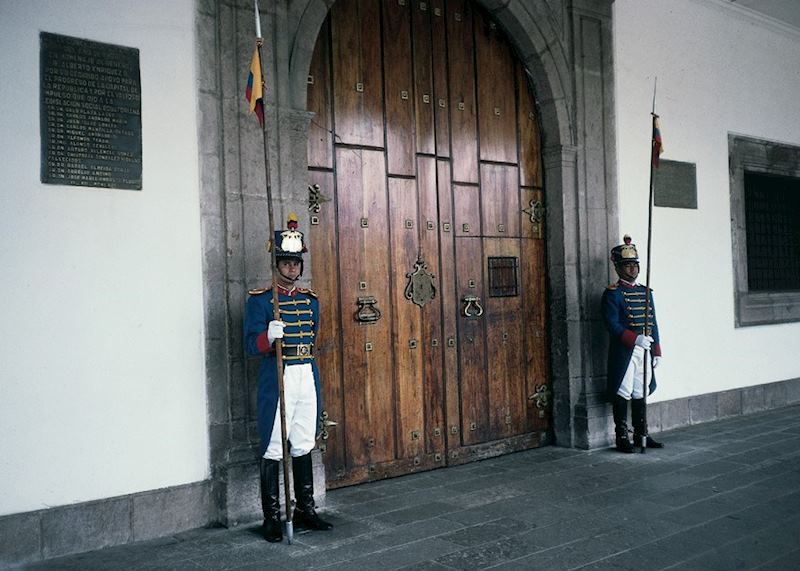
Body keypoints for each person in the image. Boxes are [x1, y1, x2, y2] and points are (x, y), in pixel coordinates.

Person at [244, 213, 333, 542]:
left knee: (303, 442)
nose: (292, 268)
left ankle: (304, 510)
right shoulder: (260, 301)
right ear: (276, 264)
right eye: (286, 262)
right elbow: (250, 347)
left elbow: (313, 337)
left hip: (305, 374)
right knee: (272, 446)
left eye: (296, 262)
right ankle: (271, 516)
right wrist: (268, 337)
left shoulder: (311, 301)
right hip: (278, 377)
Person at [601, 235, 664, 453]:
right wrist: (633, 338)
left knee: (641, 390)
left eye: (635, 265)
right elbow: (612, 324)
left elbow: (653, 322)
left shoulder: (646, 292)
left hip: (645, 348)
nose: (632, 269)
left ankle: (641, 434)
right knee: (624, 390)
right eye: (627, 265)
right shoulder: (613, 294)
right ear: (618, 268)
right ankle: (621, 436)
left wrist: (657, 351)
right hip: (626, 350)